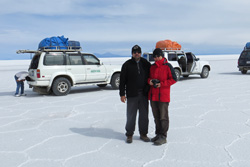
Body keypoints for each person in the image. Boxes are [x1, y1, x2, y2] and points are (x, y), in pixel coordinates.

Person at [119, 45, 151, 143]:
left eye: (138, 52)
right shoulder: (127, 65)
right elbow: (122, 80)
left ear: (141, 53)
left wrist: (148, 89)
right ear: (132, 53)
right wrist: (122, 94)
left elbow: (151, 76)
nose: (136, 53)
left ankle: (143, 134)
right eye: (134, 52)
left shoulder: (146, 63)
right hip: (132, 94)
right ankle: (129, 134)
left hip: (144, 94)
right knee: (131, 115)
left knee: (144, 115)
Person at [148, 48, 177, 145]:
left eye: (158, 56)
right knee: (156, 117)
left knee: (163, 117)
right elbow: (148, 78)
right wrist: (150, 82)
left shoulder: (168, 66)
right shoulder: (152, 67)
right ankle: (158, 134)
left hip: (163, 96)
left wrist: (162, 84)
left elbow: (174, 79)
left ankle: (163, 136)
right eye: (154, 57)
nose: (156, 58)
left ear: (162, 56)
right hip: (153, 96)